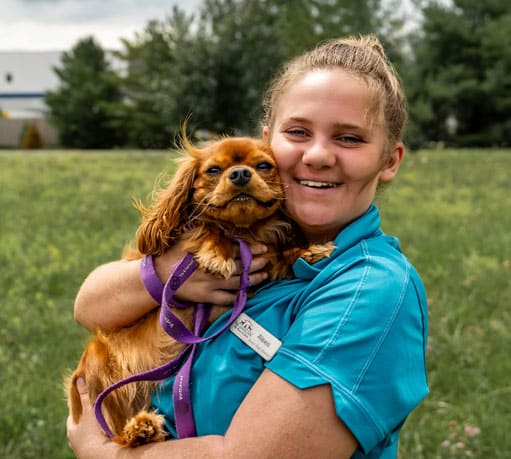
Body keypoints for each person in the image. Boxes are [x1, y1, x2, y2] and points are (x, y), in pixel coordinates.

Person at [67, 34, 429, 458]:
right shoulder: (226, 244)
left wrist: (100, 450)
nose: (317, 155)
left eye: (349, 139)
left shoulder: (370, 289)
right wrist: (169, 273)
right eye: (297, 131)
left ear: (390, 160)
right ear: (267, 138)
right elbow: (88, 309)